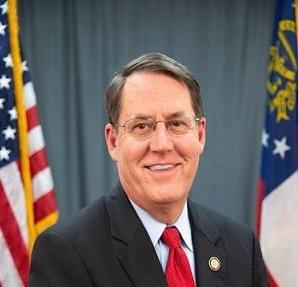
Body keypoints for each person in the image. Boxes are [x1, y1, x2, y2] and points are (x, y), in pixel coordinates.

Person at [29, 53, 269, 286]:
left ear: (200, 134)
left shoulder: (241, 247)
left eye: (177, 123)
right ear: (113, 142)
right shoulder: (66, 253)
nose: (162, 145)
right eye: (141, 126)